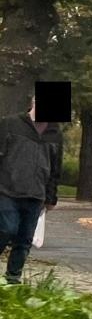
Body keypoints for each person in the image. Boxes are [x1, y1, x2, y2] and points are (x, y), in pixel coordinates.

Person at [0, 98, 61, 284]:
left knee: (24, 239)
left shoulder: (55, 133)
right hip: (7, 190)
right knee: (6, 229)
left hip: (36, 194)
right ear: (35, 101)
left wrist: (51, 198)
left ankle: (12, 280)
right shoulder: (10, 124)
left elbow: (56, 168)